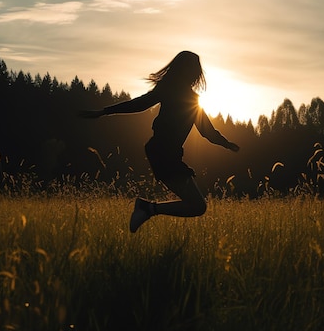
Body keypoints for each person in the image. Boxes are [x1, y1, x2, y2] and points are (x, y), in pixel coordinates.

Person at [79, 50, 240, 233]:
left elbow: (206, 131)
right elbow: (139, 104)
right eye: (193, 69)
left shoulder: (191, 99)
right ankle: (147, 209)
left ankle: (147, 208)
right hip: (162, 153)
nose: (196, 73)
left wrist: (226, 143)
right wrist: (104, 111)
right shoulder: (170, 90)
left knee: (197, 206)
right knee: (197, 206)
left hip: (167, 154)